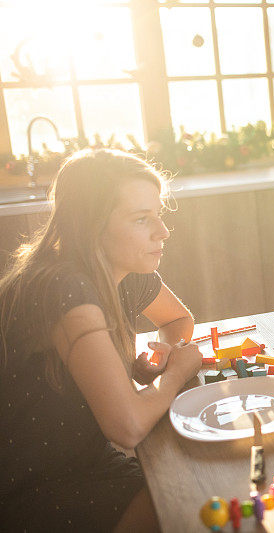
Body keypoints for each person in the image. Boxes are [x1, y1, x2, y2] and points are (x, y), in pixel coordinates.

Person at [0, 149, 203, 531]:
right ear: (93, 226)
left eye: (158, 214)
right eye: (142, 219)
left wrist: (162, 357)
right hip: (32, 488)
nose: (163, 231)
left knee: (190, 482)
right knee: (190, 504)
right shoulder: (63, 288)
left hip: (86, 461)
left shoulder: (125, 272)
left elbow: (177, 319)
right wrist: (176, 374)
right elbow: (126, 427)